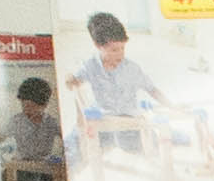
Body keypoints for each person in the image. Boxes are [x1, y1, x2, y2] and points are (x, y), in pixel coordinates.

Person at [65, 11, 161, 140]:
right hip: (104, 122)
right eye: (114, 50)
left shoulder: (131, 68)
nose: (120, 54)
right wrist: (70, 79)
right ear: (98, 45)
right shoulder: (90, 66)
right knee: (74, 141)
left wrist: (171, 106)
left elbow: (152, 89)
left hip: (129, 122)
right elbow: (74, 82)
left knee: (156, 139)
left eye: (122, 48)